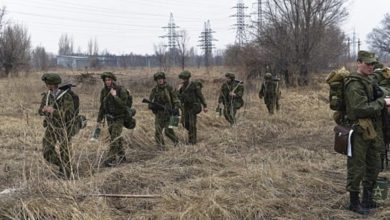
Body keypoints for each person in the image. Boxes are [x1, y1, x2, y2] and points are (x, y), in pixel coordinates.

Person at [344, 50, 390, 214]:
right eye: (367, 63)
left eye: (373, 64)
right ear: (359, 62)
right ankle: (354, 203)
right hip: (358, 131)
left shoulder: (369, 80)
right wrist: (382, 102)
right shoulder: (354, 84)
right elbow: (359, 109)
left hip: (372, 130)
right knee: (357, 167)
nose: (371, 66)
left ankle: (367, 199)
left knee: (375, 165)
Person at [39, 73, 74, 178]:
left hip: (63, 127)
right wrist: (43, 110)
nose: (47, 85)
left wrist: (53, 111)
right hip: (51, 127)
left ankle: (67, 174)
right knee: (46, 150)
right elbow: (40, 111)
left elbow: (69, 114)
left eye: (48, 83)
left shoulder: (66, 96)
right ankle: (62, 166)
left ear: (53, 84)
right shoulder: (47, 96)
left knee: (65, 152)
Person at [97, 72, 129, 167]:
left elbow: (124, 105)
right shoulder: (104, 91)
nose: (107, 82)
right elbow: (102, 106)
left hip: (119, 118)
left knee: (114, 137)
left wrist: (115, 96)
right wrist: (99, 119)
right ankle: (122, 156)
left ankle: (110, 158)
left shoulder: (120, 90)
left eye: (109, 80)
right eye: (106, 80)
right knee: (115, 137)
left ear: (112, 80)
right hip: (109, 118)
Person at [148, 72, 180, 148]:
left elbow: (176, 100)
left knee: (168, 132)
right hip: (159, 114)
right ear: (156, 80)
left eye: (161, 79)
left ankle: (177, 143)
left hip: (170, 113)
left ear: (164, 79)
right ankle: (161, 148)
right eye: (158, 79)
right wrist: (153, 106)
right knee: (157, 132)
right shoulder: (154, 90)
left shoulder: (169, 88)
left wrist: (176, 108)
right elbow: (150, 102)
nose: (160, 80)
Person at [177, 70, 208, 144]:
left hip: (193, 107)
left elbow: (200, 95)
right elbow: (178, 97)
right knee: (184, 123)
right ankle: (192, 133)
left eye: (184, 79)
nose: (182, 80)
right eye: (182, 79)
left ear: (187, 78)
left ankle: (192, 141)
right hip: (185, 107)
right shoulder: (181, 87)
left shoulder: (193, 85)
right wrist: (178, 90)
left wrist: (205, 106)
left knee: (192, 124)